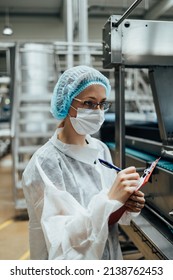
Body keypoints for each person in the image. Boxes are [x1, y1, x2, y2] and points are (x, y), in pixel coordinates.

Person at [22, 65, 145, 260]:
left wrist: (126, 204)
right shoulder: (44, 164)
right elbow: (61, 239)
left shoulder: (100, 149)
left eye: (102, 103)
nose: (97, 111)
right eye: (89, 103)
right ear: (67, 103)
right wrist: (109, 199)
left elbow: (107, 217)